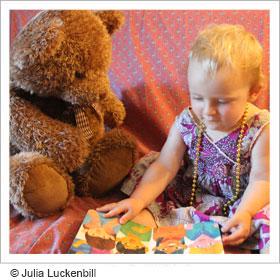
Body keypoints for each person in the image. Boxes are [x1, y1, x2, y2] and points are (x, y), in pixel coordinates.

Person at [97, 24, 270, 253]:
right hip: (189, 193)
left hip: (243, 200)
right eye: (198, 97)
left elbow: (262, 180)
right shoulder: (187, 122)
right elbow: (165, 165)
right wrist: (138, 201)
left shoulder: (261, 129)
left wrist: (246, 212)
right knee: (137, 214)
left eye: (222, 101)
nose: (208, 111)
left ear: (254, 91)